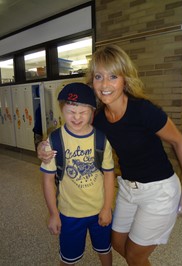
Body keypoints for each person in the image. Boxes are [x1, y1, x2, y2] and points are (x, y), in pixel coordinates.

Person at [38, 45, 182, 266]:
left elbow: (178, 141)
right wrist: (43, 148)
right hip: (128, 189)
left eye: (113, 76)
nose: (105, 84)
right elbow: (73, 127)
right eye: (99, 77)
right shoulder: (99, 118)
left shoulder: (143, 111)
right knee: (116, 242)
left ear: (125, 80)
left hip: (159, 190)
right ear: (92, 82)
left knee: (135, 255)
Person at [40, 82, 115, 266]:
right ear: (61, 110)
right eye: (70, 112)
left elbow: (108, 175)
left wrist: (107, 208)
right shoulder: (54, 140)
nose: (76, 117)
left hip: (99, 210)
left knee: (104, 249)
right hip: (69, 213)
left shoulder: (100, 138)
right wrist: (53, 213)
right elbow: (48, 180)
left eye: (83, 112)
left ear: (92, 111)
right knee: (68, 257)